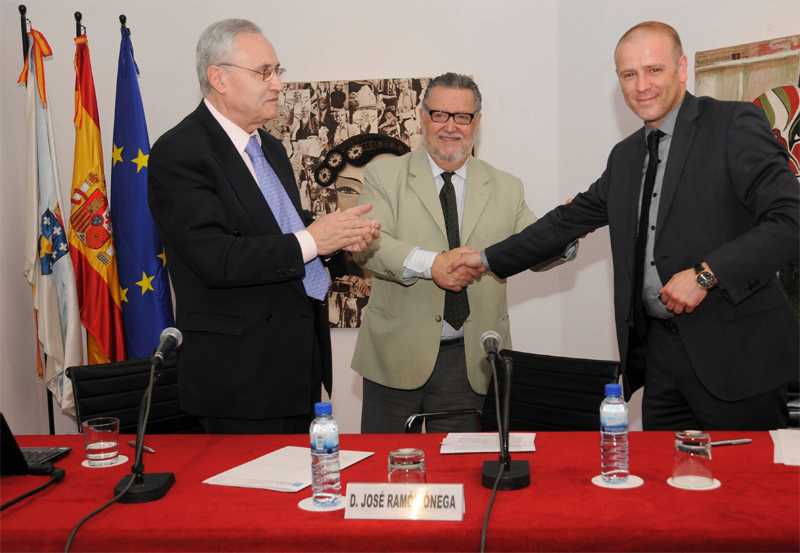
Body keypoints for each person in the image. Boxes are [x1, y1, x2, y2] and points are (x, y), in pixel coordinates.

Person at [450, 22, 799, 431]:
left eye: (654, 70)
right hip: (661, 360)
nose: (641, 85)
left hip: (738, 359)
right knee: (662, 485)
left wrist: (707, 275)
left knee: (745, 490)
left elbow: (790, 220)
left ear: (681, 68)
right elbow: (568, 220)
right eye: (628, 75)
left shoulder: (732, 123)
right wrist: (485, 258)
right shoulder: (626, 155)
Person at [148, 19, 380, 434]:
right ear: (218, 77)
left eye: (278, 71)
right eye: (263, 72)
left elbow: (274, 227)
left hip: (296, 367)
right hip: (238, 378)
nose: (277, 84)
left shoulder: (267, 146)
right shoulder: (179, 152)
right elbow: (217, 258)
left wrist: (334, 237)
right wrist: (313, 239)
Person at [351, 73, 575, 433]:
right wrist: (432, 265)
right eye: (440, 114)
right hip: (395, 357)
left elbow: (531, 247)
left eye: (462, 117)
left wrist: (568, 230)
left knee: (463, 476)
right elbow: (370, 245)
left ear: (477, 122)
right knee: (387, 474)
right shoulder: (384, 177)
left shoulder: (506, 186)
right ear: (423, 117)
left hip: (472, 363)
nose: (450, 127)